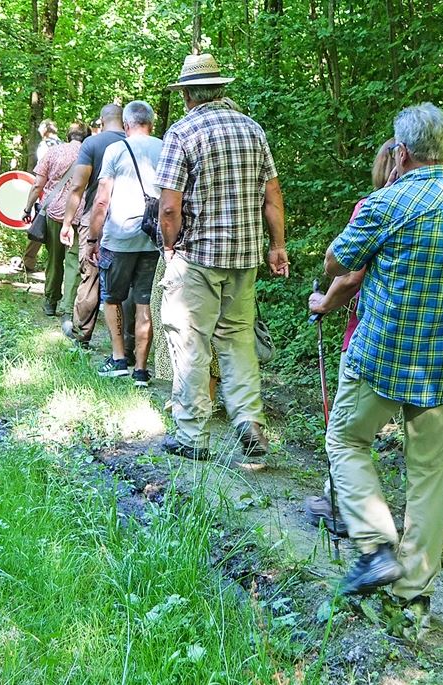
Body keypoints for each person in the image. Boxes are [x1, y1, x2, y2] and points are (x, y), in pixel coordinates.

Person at [321, 104, 443, 610]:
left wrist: (329, 281)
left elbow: (337, 260)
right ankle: (412, 591)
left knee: (345, 438)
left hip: (381, 354)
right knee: (430, 474)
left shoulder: (388, 202)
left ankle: (376, 545)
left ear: (401, 152)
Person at [155, 53, 288, 461]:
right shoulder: (253, 130)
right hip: (244, 258)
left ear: (188, 96)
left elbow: (169, 207)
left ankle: (192, 436)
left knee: (191, 342)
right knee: (237, 342)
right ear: (221, 89)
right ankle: (249, 420)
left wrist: (170, 244)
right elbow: (273, 196)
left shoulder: (182, 132)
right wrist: (277, 245)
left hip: (196, 256)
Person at [304, 136, 398, 535]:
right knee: (428, 454)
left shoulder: (373, 207)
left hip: (369, 333)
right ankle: (433, 533)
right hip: (437, 345)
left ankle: (342, 506)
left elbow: (350, 274)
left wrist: (324, 302)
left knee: (346, 430)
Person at [87, 101, 162, 387]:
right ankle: (141, 371)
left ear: (127, 125)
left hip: (118, 238)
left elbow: (102, 199)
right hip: (153, 239)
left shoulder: (115, 150)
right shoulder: (165, 146)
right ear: (151, 124)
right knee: (145, 303)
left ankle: (119, 359)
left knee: (112, 298)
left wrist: (93, 238)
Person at [60, 104, 128, 349]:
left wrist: (67, 222)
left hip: (95, 217)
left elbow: (77, 187)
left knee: (90, 277)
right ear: (124, 120)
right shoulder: (136, 142)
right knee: (128, 281)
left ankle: (82, 335)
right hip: (129, 219)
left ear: (101, 120)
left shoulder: (92, 144)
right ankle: (127, 347)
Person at [22, 122, 85, 316]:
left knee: (54, 260)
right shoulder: (91, 153)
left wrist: (28, 208)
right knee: (74, 262)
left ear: (68, 135)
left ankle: (51, 302)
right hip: (81, 215)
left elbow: (37, 185)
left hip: (55, 213)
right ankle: (68, 306)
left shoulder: (53, 152)